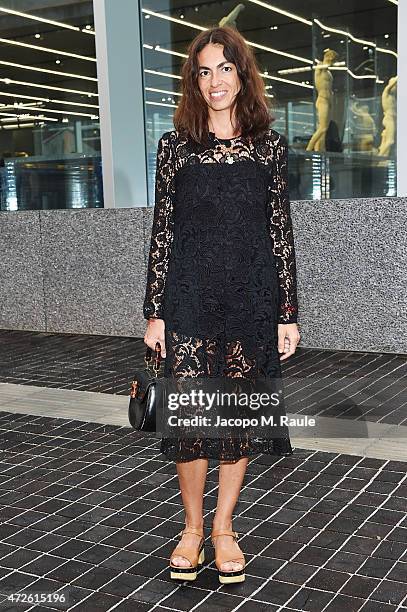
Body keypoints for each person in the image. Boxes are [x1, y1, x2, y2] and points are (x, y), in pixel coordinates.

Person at [143, 25, 300, 584]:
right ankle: (190, 527)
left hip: (250, 299)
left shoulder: (270, 147)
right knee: (191, 417)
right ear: (194, 80)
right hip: (187, 297)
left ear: (242, 74)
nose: (215, 81)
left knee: (236, 417)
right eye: (204, 71)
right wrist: (154, 310)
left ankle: (223, 528)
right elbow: (163, 230)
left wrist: (288, 312)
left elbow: (279, 232)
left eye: (225, 68)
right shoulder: (174, 147)